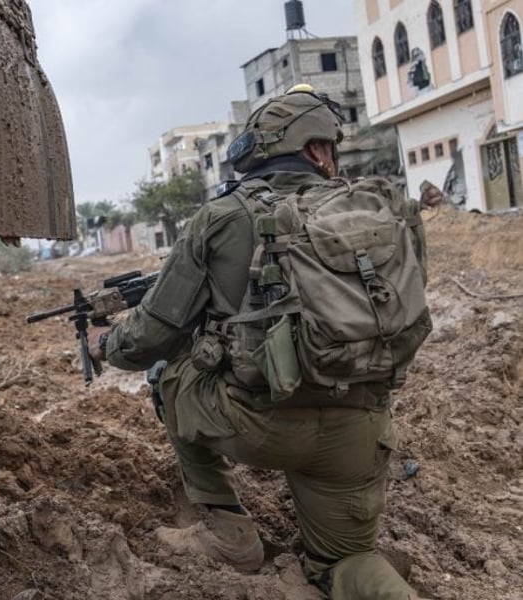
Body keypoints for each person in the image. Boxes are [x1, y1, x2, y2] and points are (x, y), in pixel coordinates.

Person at [88, 85, 440, 600]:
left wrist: (105, 344)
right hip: (359, 433)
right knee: (347, 561)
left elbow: (150, 337)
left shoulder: (221, 217)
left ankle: (230, 532)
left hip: (258, 425)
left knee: (172, 370)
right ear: (319, 151)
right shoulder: (385, 211)